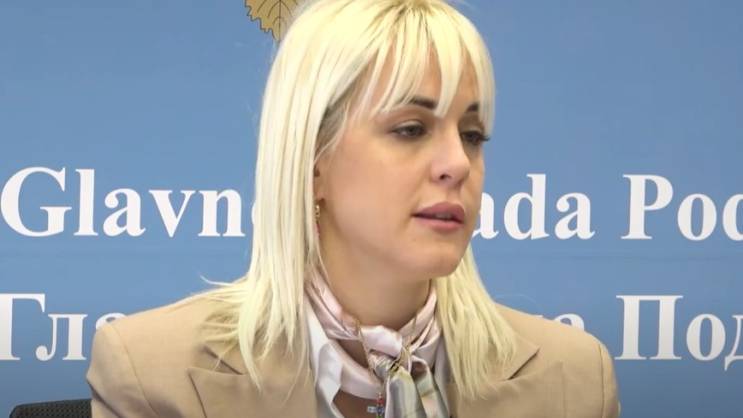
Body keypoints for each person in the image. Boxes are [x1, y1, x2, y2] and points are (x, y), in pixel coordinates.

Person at [86, 0, 621, 417]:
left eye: (472, 134)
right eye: (410, 129)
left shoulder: (573, 382)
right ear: (313, 161)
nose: (457, 163)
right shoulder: (154, 375)